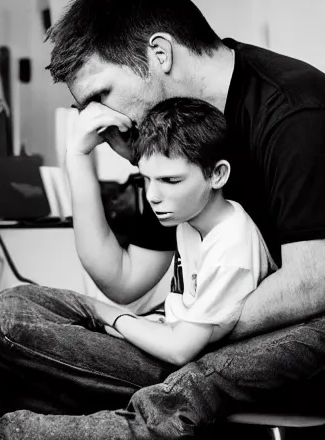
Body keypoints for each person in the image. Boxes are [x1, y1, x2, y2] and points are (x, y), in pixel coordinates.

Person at [0, 0, 325, 439]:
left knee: (25, 346)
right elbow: (123, 279)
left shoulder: (295, 110)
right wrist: (77, 157)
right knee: (5, 317)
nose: (99, 117)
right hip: (229, 314)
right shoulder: (170, 139)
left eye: (102, 95)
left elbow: (312, 284)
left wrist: (182, 333)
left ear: (159, 53)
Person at [86, 97, 275, 369]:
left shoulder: (231, 247)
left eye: (170, 180)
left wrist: (107, 314)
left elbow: (180, 350)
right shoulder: (189, 220)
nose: (152, 196)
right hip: (176, 333)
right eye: (145, 180)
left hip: (207, 360)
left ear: (218, 175)